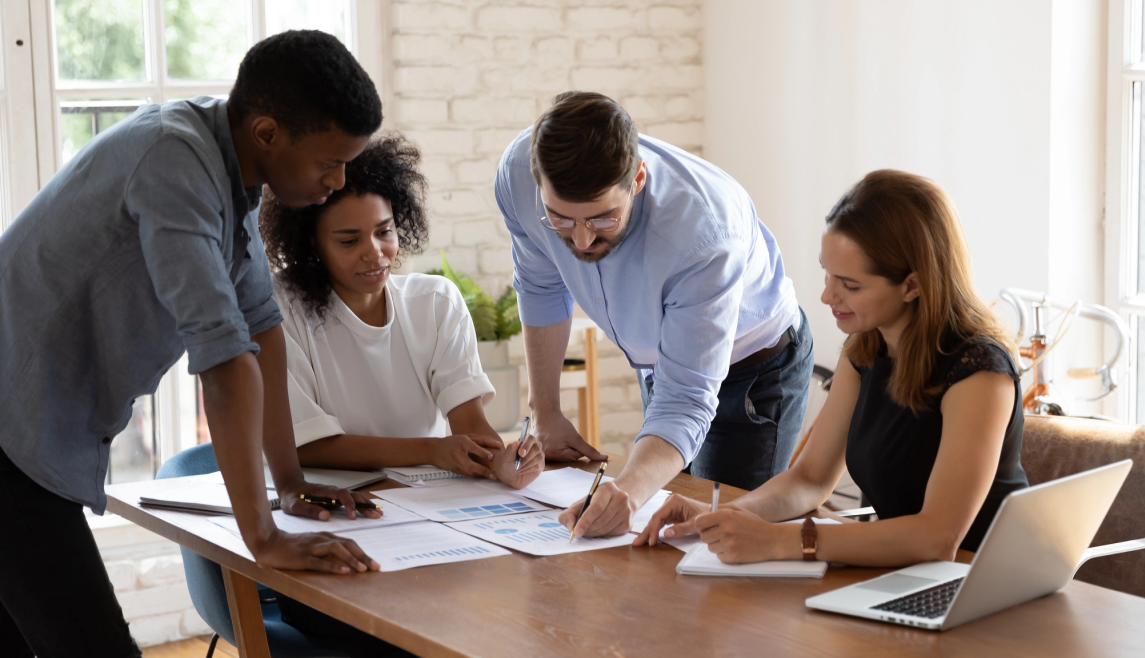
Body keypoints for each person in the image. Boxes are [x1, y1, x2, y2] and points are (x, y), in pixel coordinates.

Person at [0, 31, 386, 657]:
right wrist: (262, 537)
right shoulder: (173, 161)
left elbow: (261, 327)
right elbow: (225, 361)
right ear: (267, 133)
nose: (338, 181)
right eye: (327, 163)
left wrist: (289, 483)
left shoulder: (231, 170)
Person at [636, 170, 1029, 566]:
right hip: (908, 573)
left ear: (913, 285)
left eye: (850, 285)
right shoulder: (866, 346)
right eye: (827, 273)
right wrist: (725, 517)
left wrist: (780, 541)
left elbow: (936, 539)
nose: (827, 295)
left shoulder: (979, 371)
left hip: (985, 582)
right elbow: (810, 479)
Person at [495, 91, 814, 539]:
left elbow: (685, 400)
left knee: (721, 543)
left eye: (603, 219)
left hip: (754, 370)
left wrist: (626, 490)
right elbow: (541, 283)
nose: (582, 241)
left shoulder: (705, 233)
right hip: (661, 365)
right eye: (561, 221)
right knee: (657, 533)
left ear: (638, 178)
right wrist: (544, 411)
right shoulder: (516, 176)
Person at [258, 133, 544, 487]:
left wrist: (500, 461)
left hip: (418, 502)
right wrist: (430, 450)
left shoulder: (437, 302)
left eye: (385, 231)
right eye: (349, 241)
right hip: (324, 501)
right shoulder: (280, 308)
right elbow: (303, 445)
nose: (375, 253)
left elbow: (470, 427)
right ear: (311, 244)